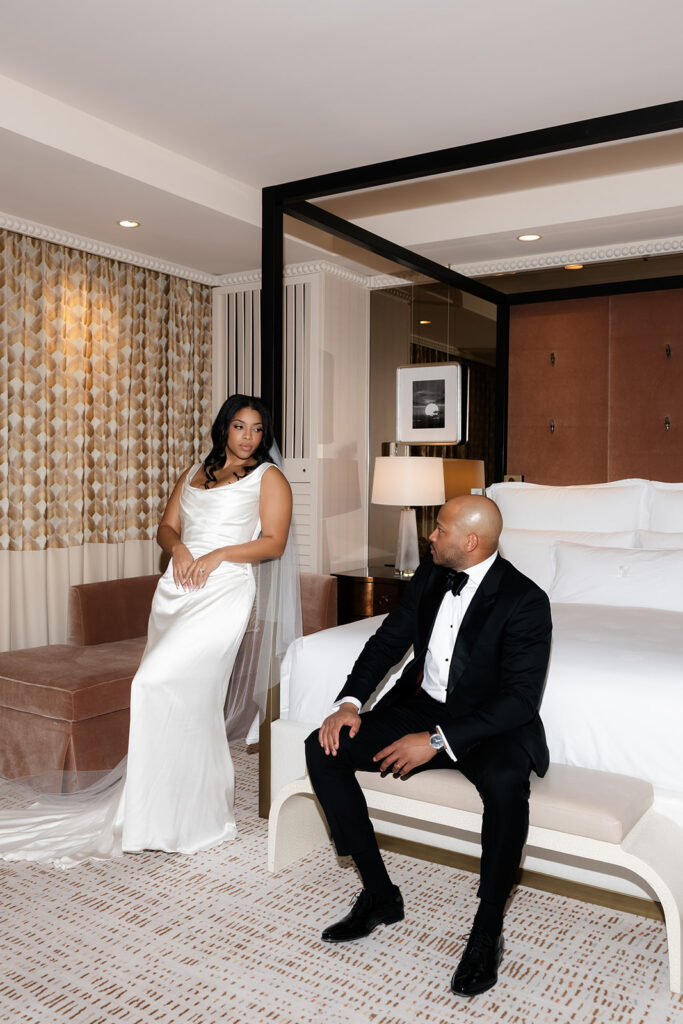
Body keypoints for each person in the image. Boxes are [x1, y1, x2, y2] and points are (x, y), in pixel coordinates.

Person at [0, 394, 295, 866]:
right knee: (175, 696)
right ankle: (159, 808)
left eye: (257, 429)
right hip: (176, 591)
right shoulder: (196, 472)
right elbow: (165, 526)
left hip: (223, 593)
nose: (247, 437)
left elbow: (273, 542)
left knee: (158, 684)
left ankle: (194, 814)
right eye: (239, 426)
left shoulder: (270, 478)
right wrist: (178, 548)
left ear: (265, 434)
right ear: (224, 428)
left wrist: (217, 554)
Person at [305, 495, 552, 998]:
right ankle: (378, 894)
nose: (430, 537)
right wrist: (351, 701)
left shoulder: (525, 601)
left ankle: (487, 930)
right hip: (422, 705)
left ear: (471, 541)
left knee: (507, 785)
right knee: (323, 746)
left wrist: (438, 742)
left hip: (489, 723)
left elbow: (520, 702)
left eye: (439, 529)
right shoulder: (431, 575)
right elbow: (388, 640)